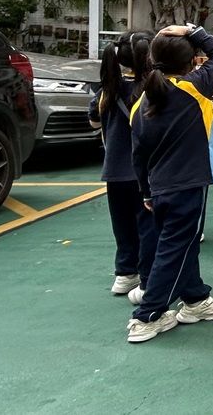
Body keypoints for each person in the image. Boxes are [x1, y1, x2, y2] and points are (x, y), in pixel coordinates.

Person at [126, 24, 213, 343]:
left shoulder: (141, 102)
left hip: (159, 187)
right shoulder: (194, 87)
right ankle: (148, 316)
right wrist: (192, 30)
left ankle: (195, 299)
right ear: (191, 62)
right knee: (174, 249)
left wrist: (145, 191)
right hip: (186, 186)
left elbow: (138, 155)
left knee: (182, 244)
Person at [88, 30, 158, 304]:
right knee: (148, 226)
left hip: (114, 170)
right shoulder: (151, 90)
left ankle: (125, 272)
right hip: (145, 172)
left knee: (122, 224)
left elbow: (94, 122)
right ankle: (148, 276)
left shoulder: (108, 89)